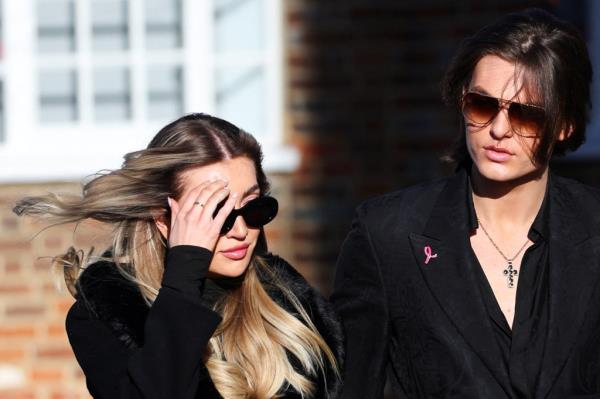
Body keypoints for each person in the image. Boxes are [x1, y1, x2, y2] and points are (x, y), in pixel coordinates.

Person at [331, 8, 597, 398]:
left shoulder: (594, 228)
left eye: (527, 115)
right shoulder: (388, 234)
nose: (499, 129)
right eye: (482, 105)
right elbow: (353, 385)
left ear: (564, 126)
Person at [14, 113, 343, 398]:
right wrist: (185, 269)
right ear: (163, 219)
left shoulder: (289, 299)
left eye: (255, 207)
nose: (241, 230)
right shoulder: (110, 316)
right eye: (217, 213)